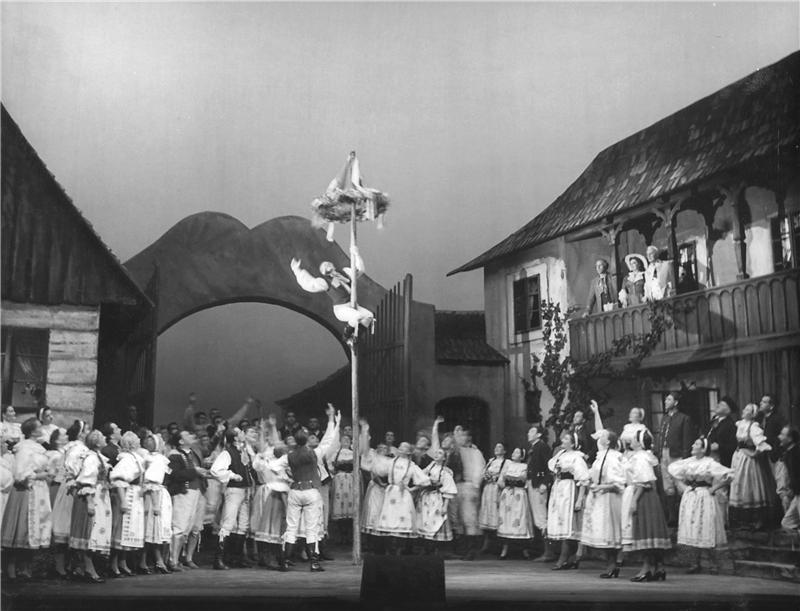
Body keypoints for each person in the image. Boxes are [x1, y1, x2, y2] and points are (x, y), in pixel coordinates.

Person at [274, 404, 340, 572]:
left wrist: (287, 477)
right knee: (312, 527)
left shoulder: (289, 456)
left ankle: (285, 561)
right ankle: (314, 562)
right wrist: (331, 420)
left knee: (291, 527)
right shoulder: (314, 453)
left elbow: (274, 466)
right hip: (311, 490)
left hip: (295, 490)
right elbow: (329, 440)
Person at [668, 437, 733, 574]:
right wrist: (682, 486)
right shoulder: (688, 462)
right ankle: (694, 563)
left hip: (704, 495)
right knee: (691, 527)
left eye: (696, 444)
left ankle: (713, 564)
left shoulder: (709, 463)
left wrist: (714, 488)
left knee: (705, 527)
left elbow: (729, 475)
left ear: (703, 449)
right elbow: (672, 471)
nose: (693, 445)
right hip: (690, 496)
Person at [1, 418, 52, 581]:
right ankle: (11, 567)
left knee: (34, 528)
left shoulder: (38, 447)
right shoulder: (24, 448)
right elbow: (20, 473)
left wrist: (46, 473)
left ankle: (25, 567)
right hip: (26, 490)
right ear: (32, 431)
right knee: (21, 527)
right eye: (39, 426)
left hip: (39, 490)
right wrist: (38, 475)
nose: (42, 429)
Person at [291, 246, 375, 342]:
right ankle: (346, 337)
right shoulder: (325, 282)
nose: (326, 266)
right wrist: (297, 270)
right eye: (324, 267)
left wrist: (356, 254)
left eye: (327, 264)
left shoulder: (345, 273)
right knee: (357, 316)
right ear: (323, 272)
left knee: (369, 316)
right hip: (341, 309)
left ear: (332, 265)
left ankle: (355, 338)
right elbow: (310, 283)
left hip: (354, 305)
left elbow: (360, 270)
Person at [622, 429, 671, 582]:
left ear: (639, 442)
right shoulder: (646, 456)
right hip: (649, 496)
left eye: (634, 438)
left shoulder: (641, 458)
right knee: (650, 531)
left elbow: (644, 481)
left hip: (644, 496)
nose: (631, 440)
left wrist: (634, 500)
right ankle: (659, 567)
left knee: (645, 531)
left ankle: (647, 568)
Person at [580, 426, 625, 578]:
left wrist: (601, 487)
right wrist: (588, 481)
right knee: (603, 531)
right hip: (599, 496)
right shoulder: (601, 456)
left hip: (609, 497)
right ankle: (610, 565)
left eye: (604, 436)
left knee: (609, 531)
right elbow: (594, 474)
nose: (600, 438)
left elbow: (618, 482)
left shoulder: (614, 457)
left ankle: (612, 565)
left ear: (609, 441)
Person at [210, 425, 258, 569]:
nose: (243, 433)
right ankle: (219, 558)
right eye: (240, 432)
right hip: (234, 490)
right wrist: (232, 475)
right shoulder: (227, 453)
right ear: (236, 437)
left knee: (243, 525)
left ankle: (236, 557)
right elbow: (215, 470)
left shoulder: (243, 451)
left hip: (245, 490)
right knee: (228, 523)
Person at [69, 429, 112, 583]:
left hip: (100, 496)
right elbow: (86, 480)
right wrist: (89, 502)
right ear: (97, 442)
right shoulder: (91, 458)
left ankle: (80, 568)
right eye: (102, 437)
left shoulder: (97, 456)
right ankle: (88, 568)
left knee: (95, 531)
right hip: (92, 496)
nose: (105, 438)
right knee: (90, 532)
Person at [729, 403, 781, 530]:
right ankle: (743, 520)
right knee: (739, 485)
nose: (743, 411)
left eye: (747, 410)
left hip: (748, 461)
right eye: (744, 408)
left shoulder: (754, 427)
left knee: (750, 486)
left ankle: (757, 519)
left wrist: (754, 453)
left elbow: (762, 444)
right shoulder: (740, 424)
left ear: (752, 414)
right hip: (738, 457)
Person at [373, 441, 431, 554]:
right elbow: (377, 470)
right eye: (400, 446)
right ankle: (390, 549)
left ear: (408, 451)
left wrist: (411, 489)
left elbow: (425, 480)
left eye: (404, 447)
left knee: (402, 520)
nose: (401, 448)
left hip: (403, 495)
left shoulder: (411, 465)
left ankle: (401, 549)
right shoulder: (391, 462)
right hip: (391, 494)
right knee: (389, 520)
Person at [49, 420, 89, 578]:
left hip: (72, 487)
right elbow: (72, 469)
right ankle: (62, 567)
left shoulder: (74, 447)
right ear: (81, 433)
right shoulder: (77, 449)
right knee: (66, 526)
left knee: (70, 527)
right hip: (72, 490)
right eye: (86, 430)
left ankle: (71, 565)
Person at [547, 431, 590, 570]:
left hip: (569, 490)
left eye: (566, 438)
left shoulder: (577, 457)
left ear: (572, 443)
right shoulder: (560, 454)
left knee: (568, 525)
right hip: (559, 489)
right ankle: (570, 559)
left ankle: (564, 558)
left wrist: (579, 499)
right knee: (561, 523)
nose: (563, 440)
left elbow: (583, 479)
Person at [168, 429, 208, 571]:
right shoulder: (175, 455)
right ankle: (173, 560)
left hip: (198, 492)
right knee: (180, 526)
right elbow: (175, 475)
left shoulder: (193, 453)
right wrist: (195, 471)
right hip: (184, 493)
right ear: (181, 441)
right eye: (188, 435)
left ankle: (188, 558)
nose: (192, 435)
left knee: (195, 527)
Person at [109, 431, 146, 577]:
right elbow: (118, 479)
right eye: (137, 440)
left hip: (135, 496)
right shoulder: (126, 460)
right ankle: (113, 564)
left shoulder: (135, 458)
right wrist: (123, 500)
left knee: (129, 531)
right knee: (121, 529)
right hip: (127, 495)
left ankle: (122, 562)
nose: (139, 441)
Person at [251, 436, 290, 571]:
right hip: (270, 492)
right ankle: (266, 556)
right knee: (267, 525)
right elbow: (257, 466)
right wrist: (260, 454)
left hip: (283, 493)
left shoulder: (284, 463)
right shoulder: (266, 461)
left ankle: (279, 556)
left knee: (279, 526)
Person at [655, 392, 694, 526]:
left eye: (669, 399)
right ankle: (672, 517)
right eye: (666, 399)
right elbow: (661, 436)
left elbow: (687, 440)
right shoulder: (665, 418)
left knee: (680, 483)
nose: (666, 401)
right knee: (667, 485)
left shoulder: (684, 418)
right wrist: (659, 452)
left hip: (677, 455)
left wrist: (685, 458)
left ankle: (684, 515)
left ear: (676, 402)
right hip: (664, 453)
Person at [140, 432, 172, 574]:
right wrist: (156, 504)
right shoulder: (156, 459)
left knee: (152, 529)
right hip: (155, 496)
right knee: (152, 528)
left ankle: (152, 561)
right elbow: (152, 481)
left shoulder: (153, 458)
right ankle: (153, 561)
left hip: (156, 494)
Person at [416, 447, 458, 554]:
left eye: (439, 453)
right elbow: (420, 476)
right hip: (426, 498)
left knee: (435, 520)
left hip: (436, 498)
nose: (436, 455)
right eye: (436, 453)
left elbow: (449, 489)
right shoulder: (430, 467)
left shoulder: (445, 471)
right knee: (425, 520)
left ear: (444, 458)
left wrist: (445, 506)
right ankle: (426, 547)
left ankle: (434, 549)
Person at [497, 447, 534, 559]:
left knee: (519, 517)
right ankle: (504, 549)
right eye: (513, 451)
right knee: (506, 519)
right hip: (508, 494)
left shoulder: (525, 466)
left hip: (519, 494)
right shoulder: (507, 465)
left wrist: (518, 481)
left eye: (517, 452)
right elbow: (500, 480)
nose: (514, 454)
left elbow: (525, 480)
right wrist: (505, 485)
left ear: (522, 456)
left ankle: (524, 549)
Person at [455, 426, 486, 560]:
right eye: (460, 435)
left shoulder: (475, 452)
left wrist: (475, 485)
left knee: (470, 518)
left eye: (464, 435)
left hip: (469, 486)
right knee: (459, 518)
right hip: (456, 486)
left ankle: (471, 550)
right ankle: (462, 549)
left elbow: (479, 468)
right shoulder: (457, 450)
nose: (462, 438)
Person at [525, 424, 554, 561]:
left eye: (532, 431)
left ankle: (549, 552)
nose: (528, 433)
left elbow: (549, 467)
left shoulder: (542, 447)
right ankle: (543, 550)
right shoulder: (534, 447)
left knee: (541, 516)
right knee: (538, 517)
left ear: (539, 434)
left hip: (539, 485)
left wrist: (545, 483)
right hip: (533, 483)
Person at [359, 429, 390, 553]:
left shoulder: (390, 461)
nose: (383, 450)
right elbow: (372, 471)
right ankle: (371, 544)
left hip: (386, 490)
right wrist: (380, 483)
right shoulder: (373, 458)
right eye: (380, 448)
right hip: (376, 488)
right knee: (373, 512)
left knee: (384, 514)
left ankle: (383, 544)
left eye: (385, 448)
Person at [478, 442, 507, 552]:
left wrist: (497, 479)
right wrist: (486, 476)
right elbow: (483, 473)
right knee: (487, 514)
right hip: (488, 489)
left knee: (498, 514)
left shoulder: (506, 462)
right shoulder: (491, 461)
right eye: (496, 447)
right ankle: (487, 542)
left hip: (497, 489)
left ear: (504, 451)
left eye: (500, 447)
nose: (497, 449)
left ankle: (501, 545)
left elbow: (505, 475)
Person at [330, 433, 355, 543]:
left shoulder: (354, 453)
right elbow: (330, 467)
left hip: (351, 480)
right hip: (339, 480)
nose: (346, 441)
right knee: (339, 505)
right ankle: (341, 535)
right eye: (344, 439)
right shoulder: (336, 453)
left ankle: (349, 535)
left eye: (348, 439)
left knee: (351, 505)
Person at [778, 426, 800, 532]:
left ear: (790, 439)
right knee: (787, 523)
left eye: (782, 434)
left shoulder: (796, 453)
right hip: (797, 493)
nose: (779, 437)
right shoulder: (789, 453)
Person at [706, 397, 738, 468]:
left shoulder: (730, 425)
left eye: (722, 405)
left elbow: (733, 446)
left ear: (728, 410)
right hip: (709, 457)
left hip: (722, 460)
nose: (717, 406)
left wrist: (719, 446)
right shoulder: (715, 420)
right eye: (719, 404)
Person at [757, 394, 786, 470]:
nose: (760, 403)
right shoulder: (760, 418)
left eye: (764, 402)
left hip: (773, 456)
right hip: (762, 456)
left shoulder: (778, 419)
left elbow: (783, 436)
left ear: (771, 406)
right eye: (761, 401)